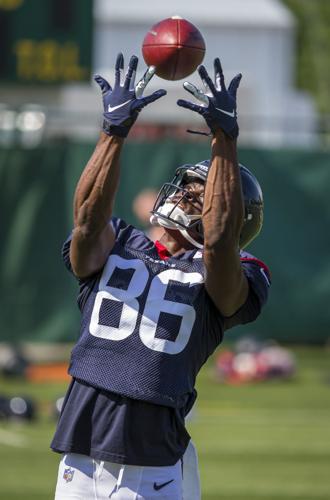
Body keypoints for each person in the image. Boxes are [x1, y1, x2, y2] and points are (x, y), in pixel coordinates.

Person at [51, 52, 271, 500]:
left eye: (196, 196)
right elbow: (88, 222)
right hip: (79, 457)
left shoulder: (234, 273)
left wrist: (224, 140)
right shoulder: (121, 242)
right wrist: (112, 133)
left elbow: (219, 243)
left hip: (155, 471)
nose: (184, 196)